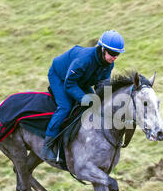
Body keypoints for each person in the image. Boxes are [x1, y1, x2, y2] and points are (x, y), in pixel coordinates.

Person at [41, 30, 125, 162]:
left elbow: (103, 86)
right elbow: (69, 83)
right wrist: (85, 99)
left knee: (97, 105)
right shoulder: (84, 59)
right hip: (60, 77)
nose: (115, 57)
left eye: (118, 54)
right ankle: (47, 146)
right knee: (65, 107)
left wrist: (110, 103)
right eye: (113, 54)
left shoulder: (109, 63)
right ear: (103, 49)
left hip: (81, 80)